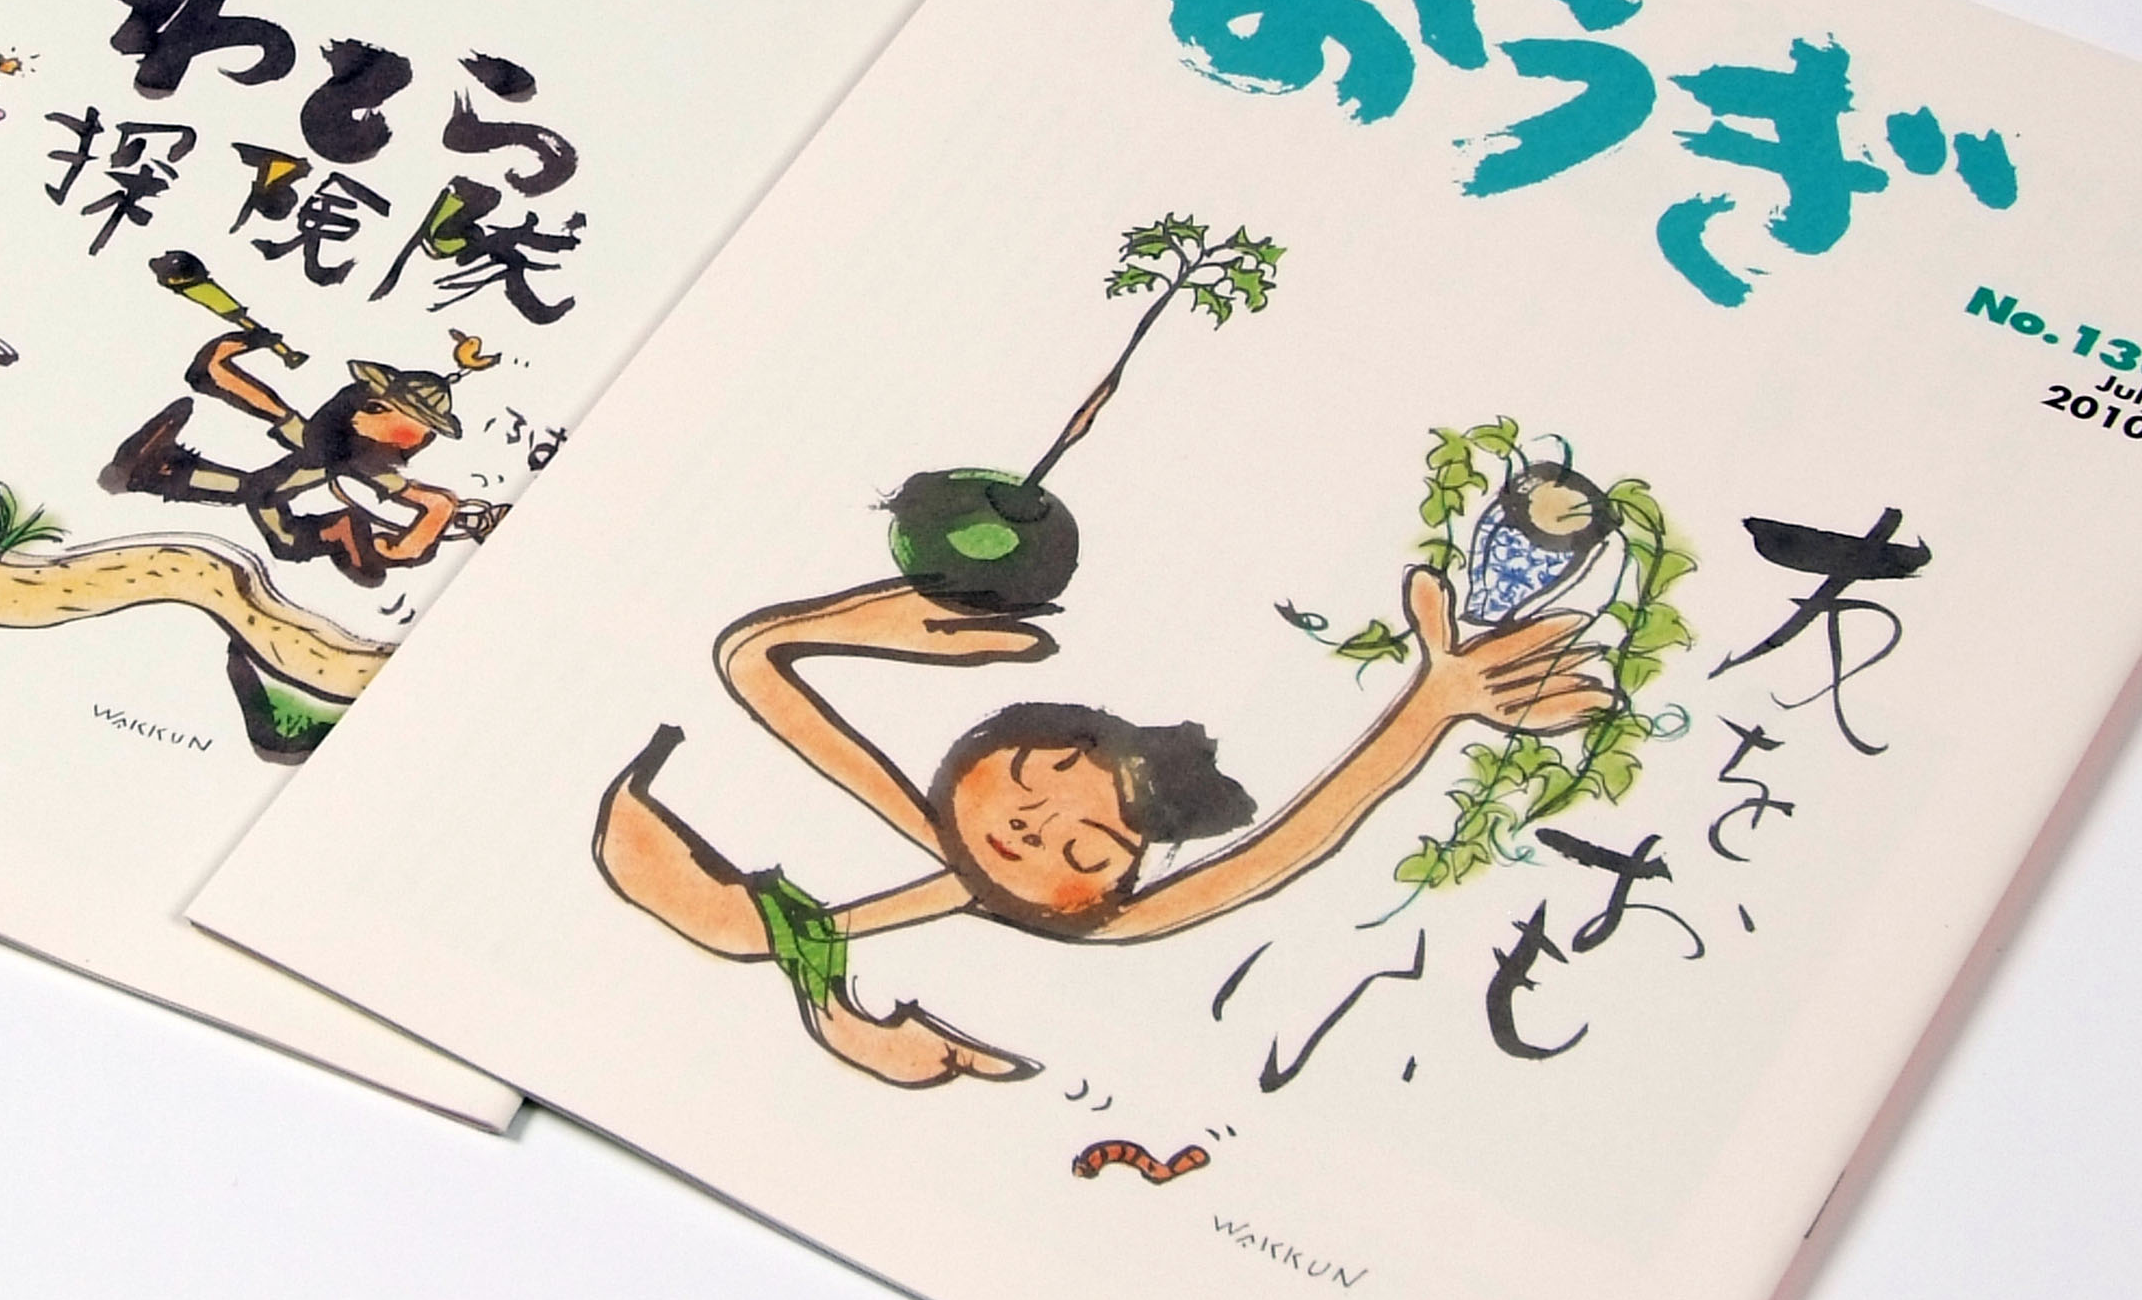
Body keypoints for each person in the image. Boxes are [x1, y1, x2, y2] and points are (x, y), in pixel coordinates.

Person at [593, 565, 1614, 1085]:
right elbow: (752, 666)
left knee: (738, 929)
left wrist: (1433, 707)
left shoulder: (1107, 921)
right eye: (1024, 788)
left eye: (1082, 852)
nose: (1026, 834)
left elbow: (1284, 848)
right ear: (968, 757)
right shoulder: (919, 826)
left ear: (1118, 881)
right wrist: (860, 619)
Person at [97, 325, 482, 587]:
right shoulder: (336, 445)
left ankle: (160, 471)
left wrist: (405, 543)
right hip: (278, 507)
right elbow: (247, 392)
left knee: (259, 494)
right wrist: (239, 345)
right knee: (255, 489)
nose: (420, 442)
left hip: (291, 529)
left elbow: (432, 505)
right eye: (422, 431)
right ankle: (159, 470)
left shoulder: (357, 457)